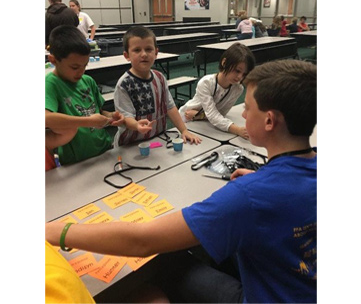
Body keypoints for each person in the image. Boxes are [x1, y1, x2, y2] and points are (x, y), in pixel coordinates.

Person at [46, 59, 317, 303]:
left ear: (269, 121)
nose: (243, 115)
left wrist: (57, 231)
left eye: (247, 108)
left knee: (165, 258)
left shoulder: (249, 196)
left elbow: (141, 240)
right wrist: (264, 180)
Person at [45, 25, 125, 165]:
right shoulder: (51, 84)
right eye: (74, 67)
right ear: (53, 60)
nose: (81, 72)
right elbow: (46, 118)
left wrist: (110, 116)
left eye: (85, 65)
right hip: (76, 161)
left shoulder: (88, 81)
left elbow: (98, 112)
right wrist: (89, 121)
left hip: (104, 150)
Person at [113, 26, 202, 146]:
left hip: (158, 138)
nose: (144, 54)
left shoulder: (159, 77)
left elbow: (170, 107)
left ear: (156, 53)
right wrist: (136, 125)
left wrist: (184, 130)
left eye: (148, 49)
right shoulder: (124, 84)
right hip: (132, 144)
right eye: (137, 50)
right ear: (126, 55)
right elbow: (125, 117)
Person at [179, 43, 255, 140]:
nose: (240, 77)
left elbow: (221, 113)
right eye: (237, 71)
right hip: (186, 120)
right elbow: (213, 115)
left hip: (208, 123)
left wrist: (199, 115)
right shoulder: (206, 83)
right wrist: (237, 130)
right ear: (224, 63)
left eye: (244, 74)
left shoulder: (238, 89)